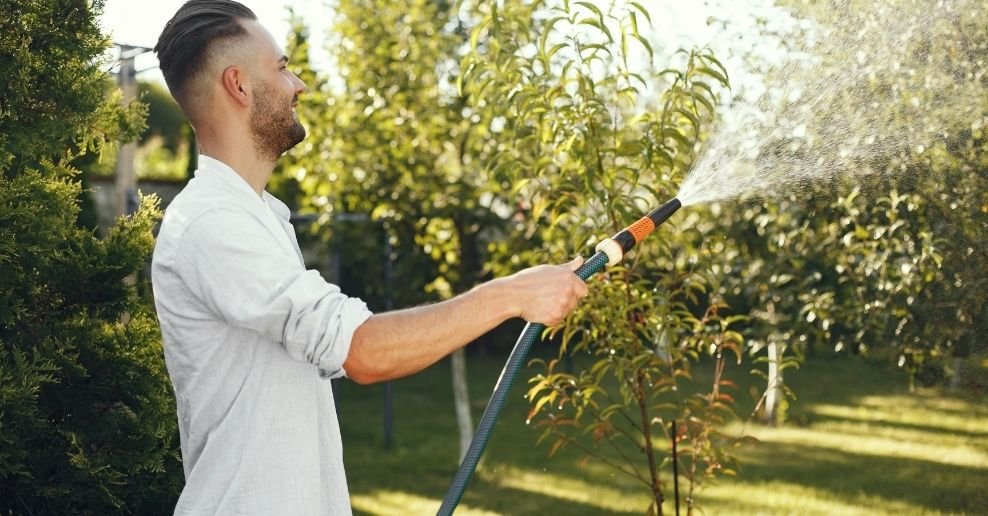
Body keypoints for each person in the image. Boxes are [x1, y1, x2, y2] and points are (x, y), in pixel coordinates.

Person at [150, 1, 588, 514]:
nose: (300, 86)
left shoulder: (260, 217)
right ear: (239, 85)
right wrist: (512, 294)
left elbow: (334, 351)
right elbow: (364, 352)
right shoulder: (213, 224)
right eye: (283, 67)